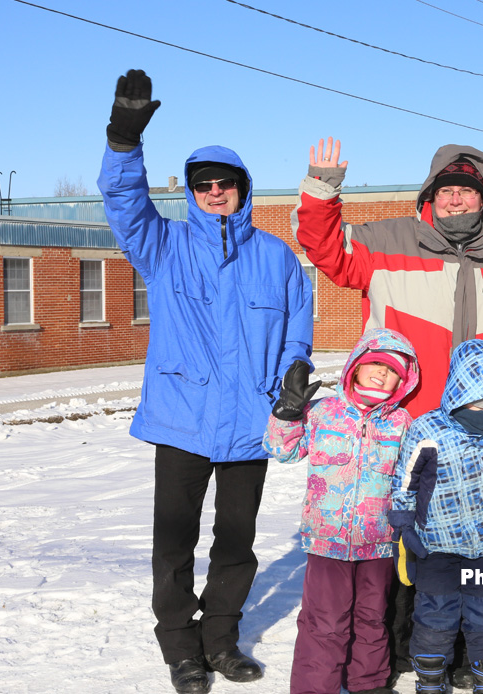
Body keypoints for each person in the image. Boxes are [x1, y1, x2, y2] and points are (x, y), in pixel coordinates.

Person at [98, 70, 314, 694]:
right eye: (204, 185)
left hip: (251, 422)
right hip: (181, 418)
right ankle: (179, 647)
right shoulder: (163, 245)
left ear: (243, 188)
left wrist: (295, 371)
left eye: (225, 183)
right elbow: (124, 202)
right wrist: (123, 141)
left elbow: (296, 326)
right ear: (192, 192)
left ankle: (221, 640)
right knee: (174, 542)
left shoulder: (275, 256)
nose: (215, 192)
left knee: (236, 541)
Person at [295, 137, 483, 679]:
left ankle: (464, 655)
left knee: (473, 548)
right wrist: (322, 186)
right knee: (404, 541)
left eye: (466, 192)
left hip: (477, 439)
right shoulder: (387, 241)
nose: (455, 199)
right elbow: (324, 248)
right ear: (430, 195)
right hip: (403, 427)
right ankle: (402, 653)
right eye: (446, 190)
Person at [264, 328, 420, 694]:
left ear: (403, 380)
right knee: (326, 621)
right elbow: (283, 450)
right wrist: (287, 413)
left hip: (378, 542)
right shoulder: (323, 412)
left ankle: (368, 682)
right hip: (327, 541)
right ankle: (315, 687)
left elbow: (410, 479)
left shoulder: (401, 423)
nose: (382, 373)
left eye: (392, 370)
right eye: (377, 364)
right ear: (356, 365)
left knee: (372, 618)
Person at [388, 339, 483, 694]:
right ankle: (430, 680)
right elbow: (404, 481)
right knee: (435, 614)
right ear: (462, 396)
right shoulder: (427, 430)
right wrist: (402, 522)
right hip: (436, 546)